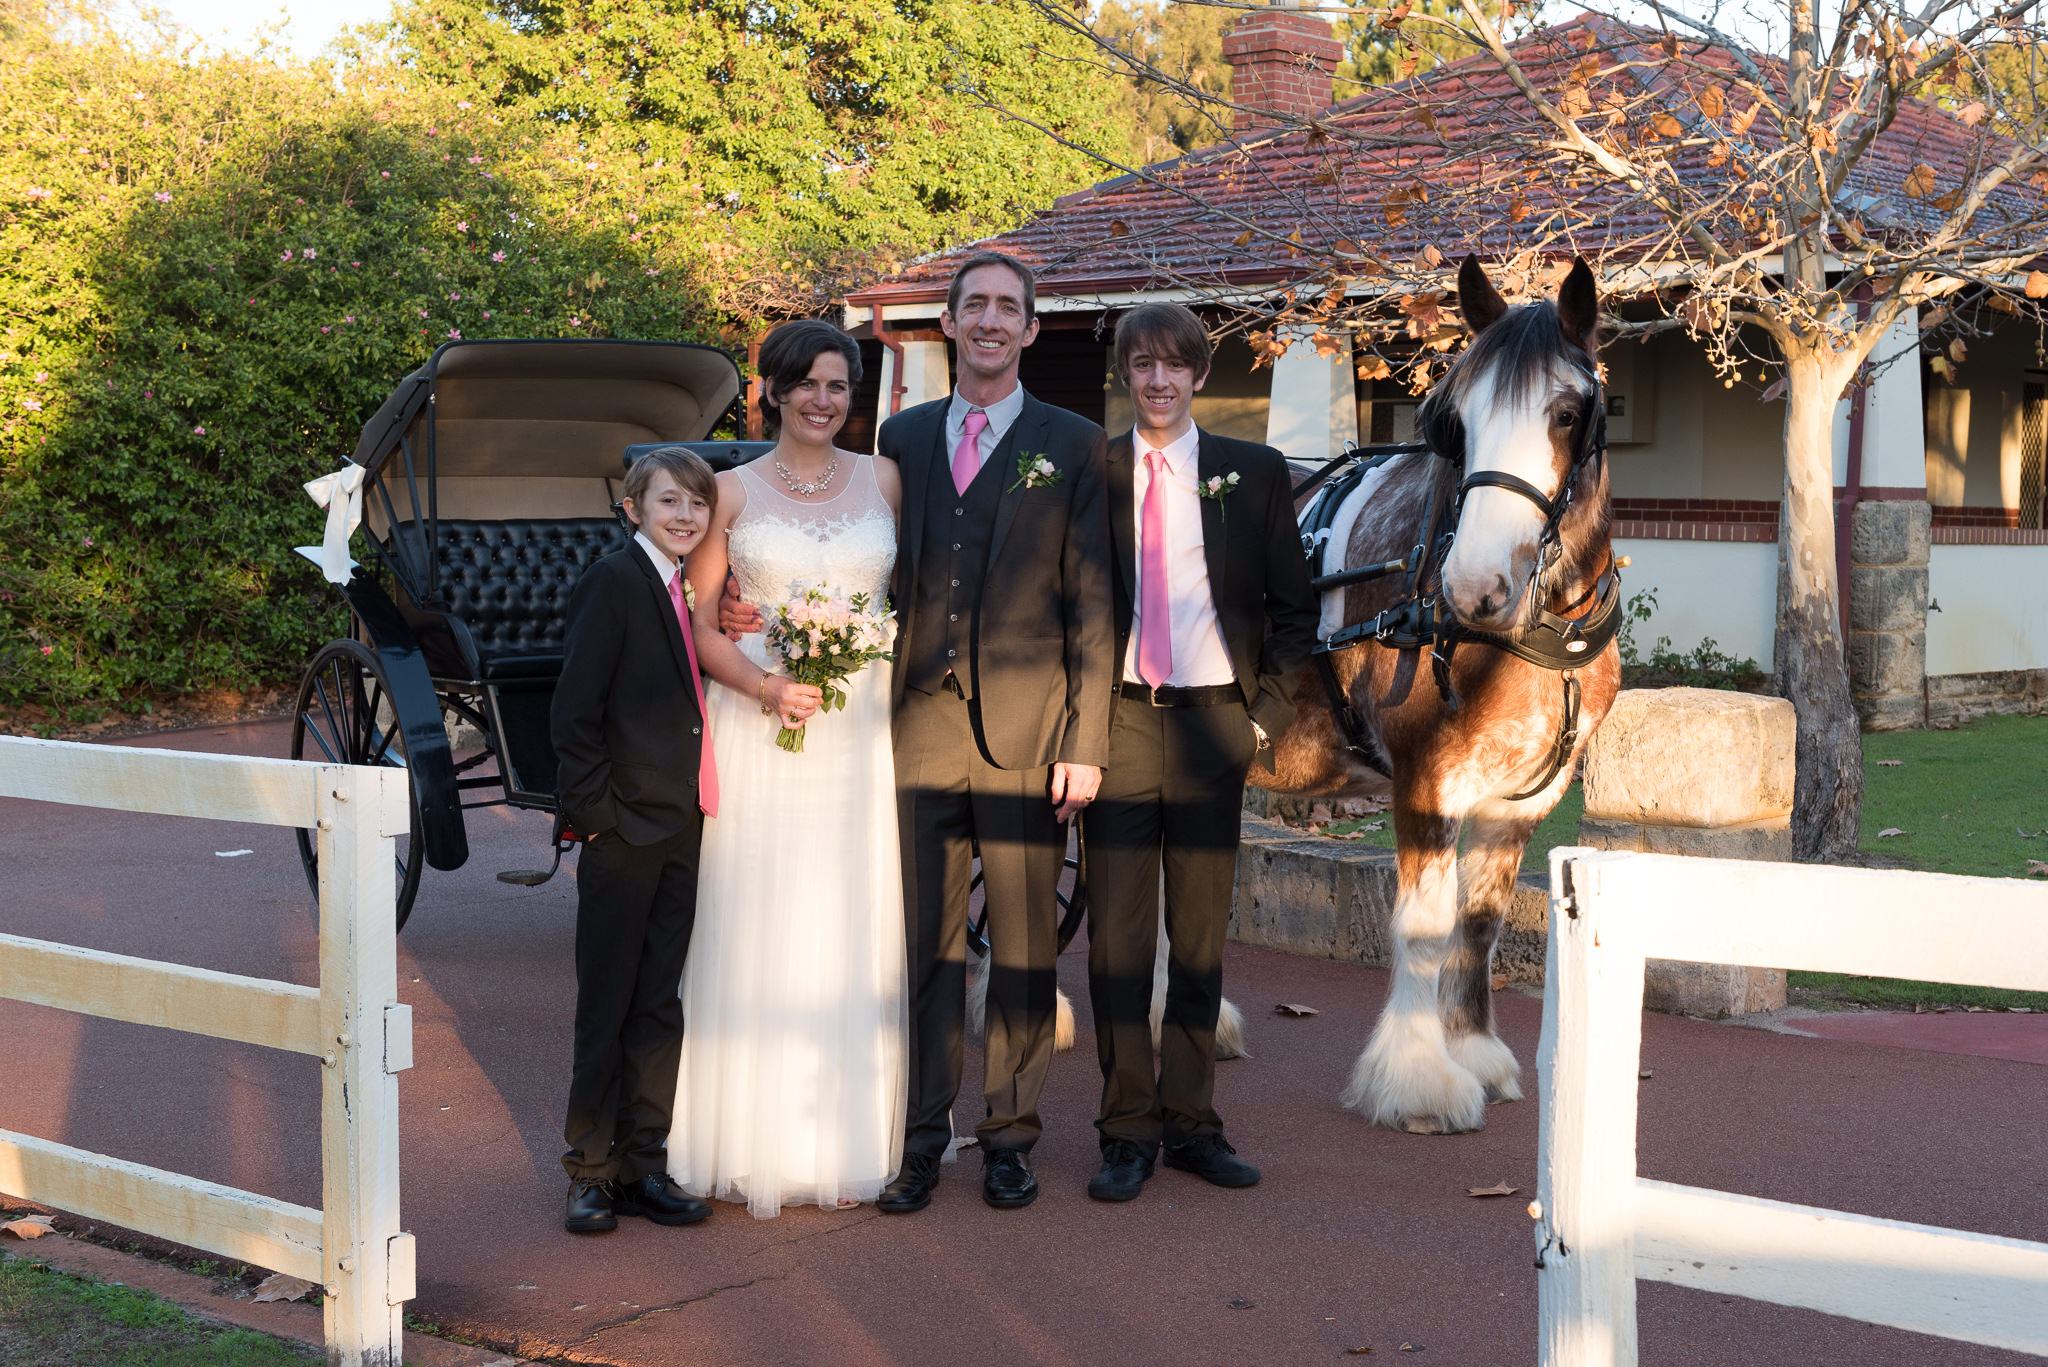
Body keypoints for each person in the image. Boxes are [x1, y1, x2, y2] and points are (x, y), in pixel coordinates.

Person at [724, 251, 1113, 1212]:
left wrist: (1086, 739)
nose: (988, 320)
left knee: (1024, 949)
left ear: (1029, 330)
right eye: (972, 304)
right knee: (927, 950)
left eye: (1006, 309)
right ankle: (922, 1138)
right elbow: (860, 562)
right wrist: (746, 605)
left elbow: (1098, 604)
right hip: (914, 730)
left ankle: (1011, 1138)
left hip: (1031, 737)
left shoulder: (1074, 441)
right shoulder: (901, 436)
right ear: (948, 322)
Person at [667, 319, 908, 1218]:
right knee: (755, 910)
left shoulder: (886, 479)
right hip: (758, 721)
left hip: (861, 730)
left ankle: (845, 1133)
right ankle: (742, 1132)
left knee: (850, 909)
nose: (822, 399)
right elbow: (698, 624)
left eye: (838, 385)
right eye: (804, 382)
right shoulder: (726, 493)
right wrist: (767, 685)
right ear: (769, 390)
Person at [1082, 302, 1318, 1203]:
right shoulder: (1091, 471)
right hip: (1118, 725)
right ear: (1126, 374)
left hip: (1216, 725)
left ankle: (1192, 1123)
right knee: (1118, 943)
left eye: (1174, 365)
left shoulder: (1251, 473)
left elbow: (1296, 614)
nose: (1157, 379)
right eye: (1141, 363)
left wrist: (1259, 720)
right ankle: (1125, 1130)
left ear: (1198, 376)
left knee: (1199, 942)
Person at [551, 445, 722, 1234]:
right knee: (608, 1002)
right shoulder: (615, 579)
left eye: (696, 504)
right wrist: (597, 817)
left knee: (659, 1001)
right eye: (668, 503)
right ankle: (589, 1171)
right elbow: (575, 711)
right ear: (633, 509)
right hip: (624, 826)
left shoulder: (682, 585)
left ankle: (643, 1164)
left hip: (681, 820)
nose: (685, 516)